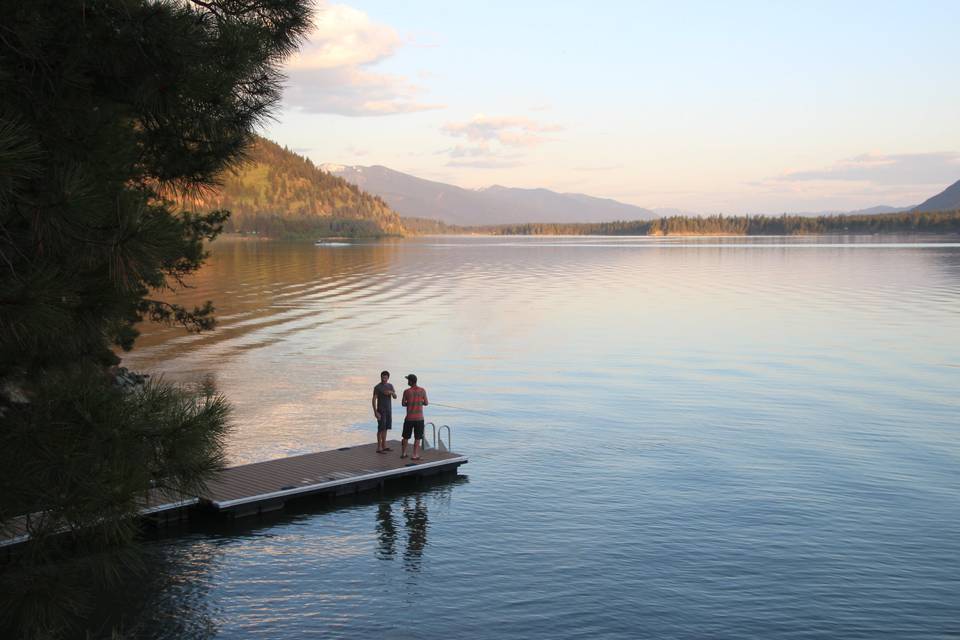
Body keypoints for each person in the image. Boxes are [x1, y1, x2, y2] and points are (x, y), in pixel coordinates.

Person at [400, 374, 428, 460]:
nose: (407, 381)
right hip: (419, 418)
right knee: (418, 437)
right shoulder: (422, 390)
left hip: (409, 418)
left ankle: (404, 453)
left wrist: (409, 403)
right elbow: (426, 403)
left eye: (408, 380)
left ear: (411, 381)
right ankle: (415, 455)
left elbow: (403, 404)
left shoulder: (406, 391)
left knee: (405, 436)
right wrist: (420, 402)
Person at [372, 370, 397, 453]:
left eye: (385, 377)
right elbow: (374, 400)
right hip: (381, 410)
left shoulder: (390, 386)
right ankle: (379, 448)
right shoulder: (377, 387)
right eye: (383, 377)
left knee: (386, 428)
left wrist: (391, 393)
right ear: (381, 377)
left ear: (388, 378)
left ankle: (384, 446)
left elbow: (395, 397)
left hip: (388, 410)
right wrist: (375, 412)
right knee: (380, 428)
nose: (384, 379)